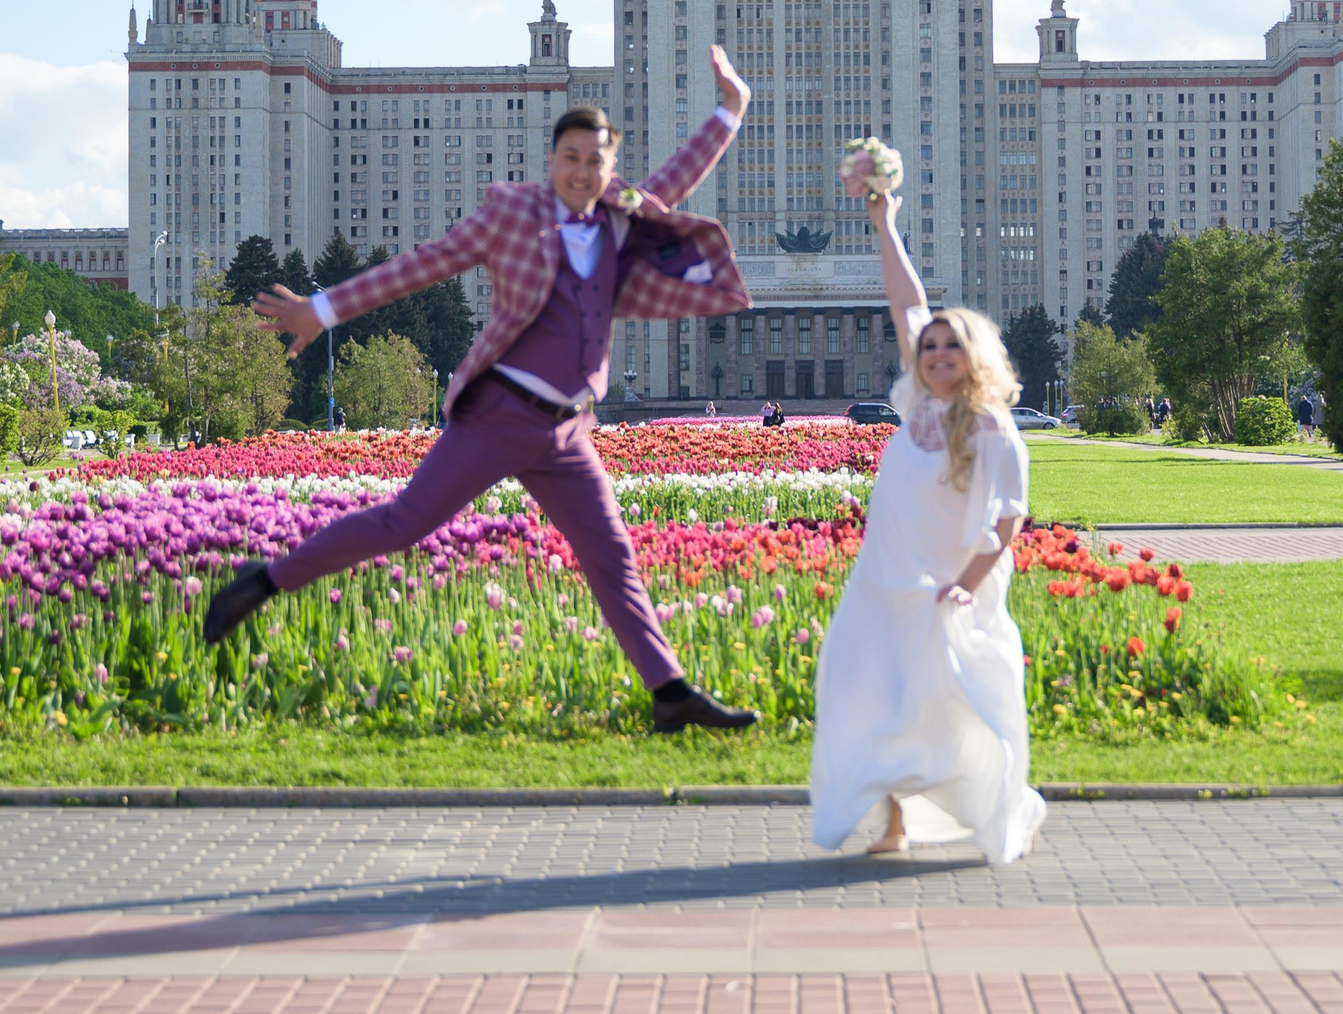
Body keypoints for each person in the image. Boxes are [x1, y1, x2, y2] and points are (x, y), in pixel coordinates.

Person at [202, 45, 763, 734]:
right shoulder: (513, 212)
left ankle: (670, 691)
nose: (584, 171)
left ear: (610, 170)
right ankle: (262, 582)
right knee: (403, 524)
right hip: (498, 413)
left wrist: (730, 109)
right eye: (573, 157)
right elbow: (424, 264)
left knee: (611, 552)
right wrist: (320, 310)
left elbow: (676, 179)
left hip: (565, 432)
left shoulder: (621, 219)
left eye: (597, 160)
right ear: (552, 160)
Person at [809, 159, 1044, 865]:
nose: (936, 352)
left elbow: (1008, 519)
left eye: (950, 346)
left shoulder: (992, 427)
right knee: (868, 693)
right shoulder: (915, 404)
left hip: (948, 593)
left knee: (955, 707)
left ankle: (1010, 807)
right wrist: (886, 225)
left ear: (974, 358)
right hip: (883, 587)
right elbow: (907, 302)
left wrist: (967, 584)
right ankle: (893, 825)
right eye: (930, 347)